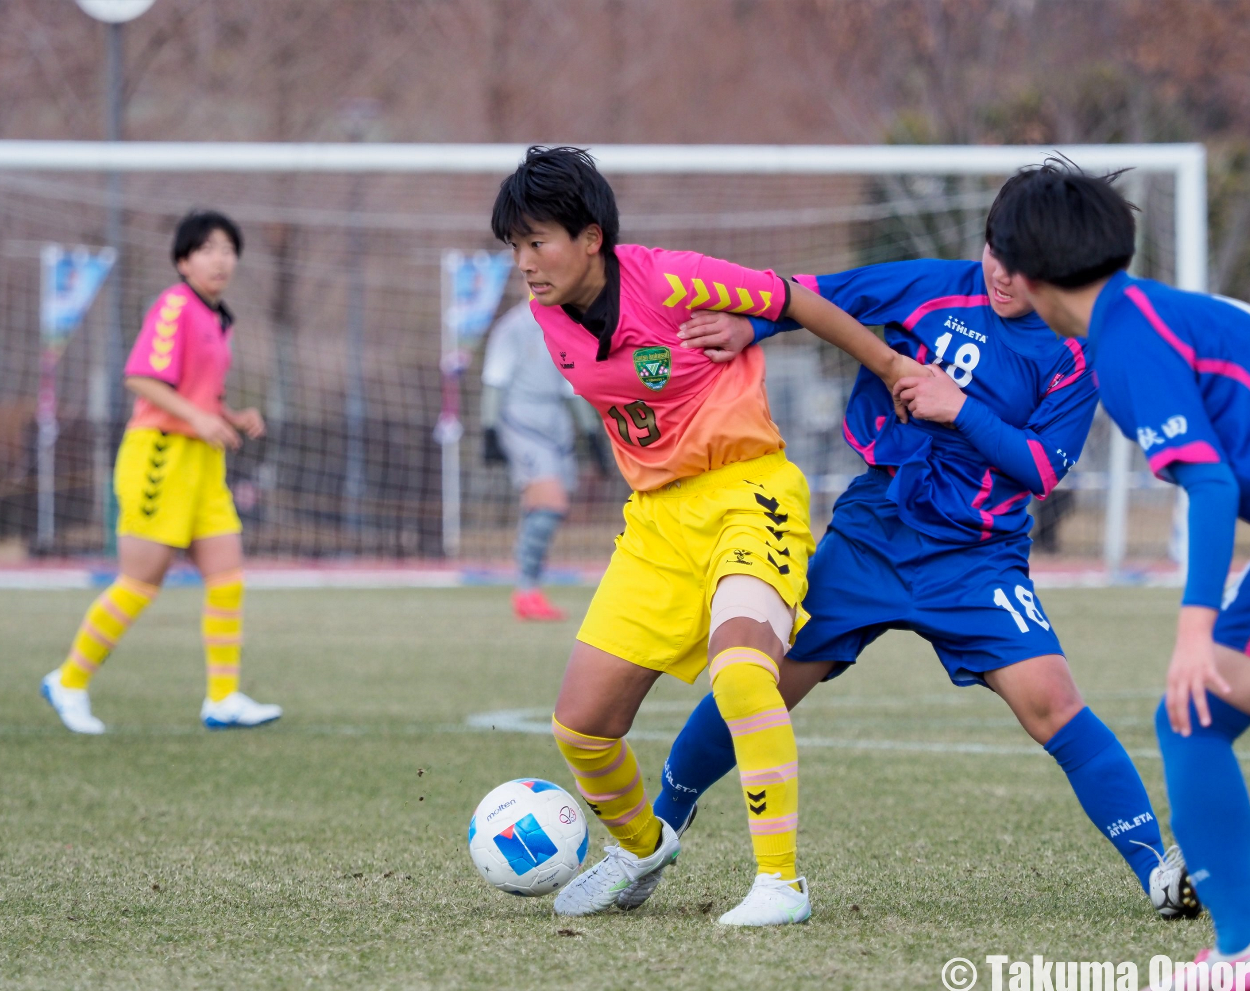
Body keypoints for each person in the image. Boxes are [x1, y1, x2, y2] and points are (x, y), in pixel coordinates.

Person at [629, 184, 1200, 923]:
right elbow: (809, 296)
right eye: (994, 250)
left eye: (1020, 264)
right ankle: (656, 830)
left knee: (1053, 703)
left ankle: (1158, 870)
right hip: (875, 533)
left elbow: (1042, 468)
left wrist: (956, 407)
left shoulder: (1072, 350)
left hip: (976, 557)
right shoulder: (930, 287)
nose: (1000, 272)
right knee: (755, 681)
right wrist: (750, 327)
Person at [491, 145, 925, 925]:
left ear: (592, 237)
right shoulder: (545, 313)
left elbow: (794, 298)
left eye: (537, 241)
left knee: (741, 671)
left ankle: (780, 882)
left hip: (748, 493)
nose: (524, 262)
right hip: (656, 522)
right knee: (581, 727)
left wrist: (891, 367)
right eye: (515, 247)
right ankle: (642, 847)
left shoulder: (670, 277)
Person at [989, 159, 1250, 991]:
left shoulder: (1124, 343)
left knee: (1192, 717)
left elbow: (1211, 482)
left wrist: (1196, 628)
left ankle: (1240, 952)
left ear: (1022, 269)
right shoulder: (1149, 313)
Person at [40, 210, 282, 734]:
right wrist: (198, 416)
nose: (221, 259)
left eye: (228, 249)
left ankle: (223, 699)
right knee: (140, 581)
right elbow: (142, 378)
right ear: (182, 260)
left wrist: (229, 415)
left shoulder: (220, 317)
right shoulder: (174, 305)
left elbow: (196, 392)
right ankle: (69, 680)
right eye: (208, 249)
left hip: (203, 462)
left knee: (227, 576)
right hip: (160, 457)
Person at [480, 300, 611, 621]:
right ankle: (525, 590)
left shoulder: (570, 325)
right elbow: (494, 381)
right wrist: (490, 429)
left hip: (557, 424)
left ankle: (529, 589)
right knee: (550, 503)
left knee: (544, 506)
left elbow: (571, 386)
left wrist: (591, 435)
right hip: (523, 422)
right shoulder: (514, 326)